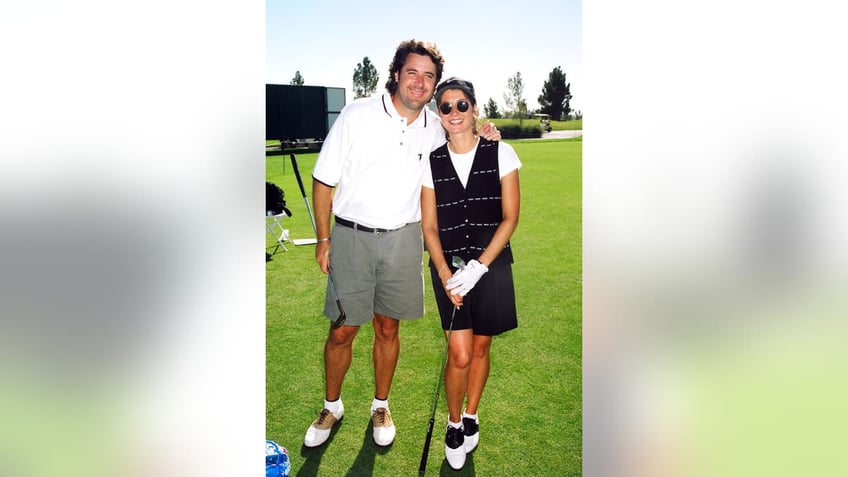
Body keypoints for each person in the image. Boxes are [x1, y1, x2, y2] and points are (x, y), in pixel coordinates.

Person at [303, 40, 500, 449]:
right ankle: (331, 405)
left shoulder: (436, 126)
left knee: (387, 327)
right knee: (342, 330)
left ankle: (381, 404)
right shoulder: (357, 114)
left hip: (404, 241)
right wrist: (323, 238)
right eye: (413, 72)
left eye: (429, 76)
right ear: (396, 74)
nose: (420, 82)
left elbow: (465, 147)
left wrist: (485, 132)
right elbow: (324, 179)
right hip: (351, 236)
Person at [420, 77, 521, 470]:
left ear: (475, 109)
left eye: (462, 105)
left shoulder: (502, 152)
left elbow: (510, 217)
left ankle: (473, 412)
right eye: (445, 107)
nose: (454, 113)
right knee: (459, 354)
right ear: (439, 114)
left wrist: (480, 266)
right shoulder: (432, 162)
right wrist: (446, 273)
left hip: (491, 268)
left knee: (481, 348)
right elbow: (429, 227)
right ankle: (454, 422)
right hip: (449, 270)